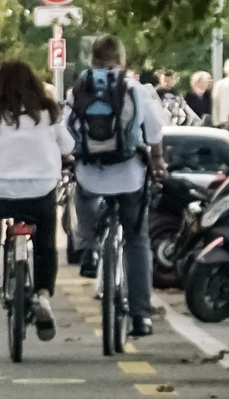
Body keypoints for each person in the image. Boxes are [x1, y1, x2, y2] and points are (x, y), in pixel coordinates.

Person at [0, 59, 71, 336]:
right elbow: (68, 145)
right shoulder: (48, 111)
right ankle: (43, 295)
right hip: (39, 188)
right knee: (45, 243)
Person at [67, 35, 165, 340]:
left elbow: (66, 131)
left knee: (81, 194)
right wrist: (158, 160)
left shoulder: (79, 89)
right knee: (137, 241)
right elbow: (154, 131)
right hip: (129, 174)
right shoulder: (136, 89)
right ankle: (141, 316)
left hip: (91, 173)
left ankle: (89, 249)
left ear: (93, 61)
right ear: (121, 61)